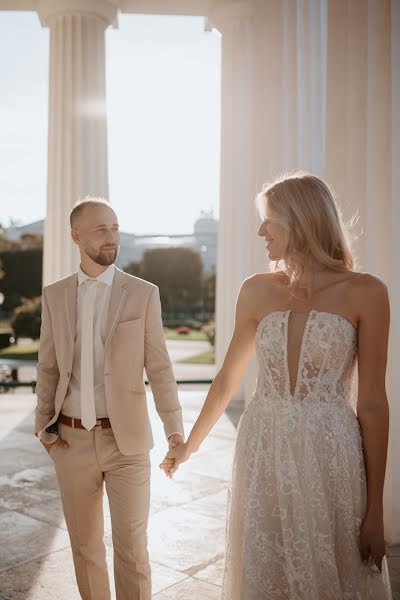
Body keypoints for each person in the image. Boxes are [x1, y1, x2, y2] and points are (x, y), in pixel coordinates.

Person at [160, 172, 393, 599]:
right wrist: (189, 446)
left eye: (269, 219)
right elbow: (228, 378)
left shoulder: (366, 292)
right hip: (262, 449)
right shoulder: (256, 291)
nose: (260, 230)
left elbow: (374, 404)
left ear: (301, 219)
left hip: (330, 455)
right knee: (268, 571)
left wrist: (375, 509)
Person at [35, 197, 184, 600]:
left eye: (115, 228)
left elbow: (160, 368)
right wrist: (43, 429)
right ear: (76, 235)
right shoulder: (55, 295)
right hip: (70, 441)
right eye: (101, 229)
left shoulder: (142, 294)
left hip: (128, 445)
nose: (111, 236)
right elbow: (48, 367)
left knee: (133, 551)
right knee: (85, 550)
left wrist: (174, 430)